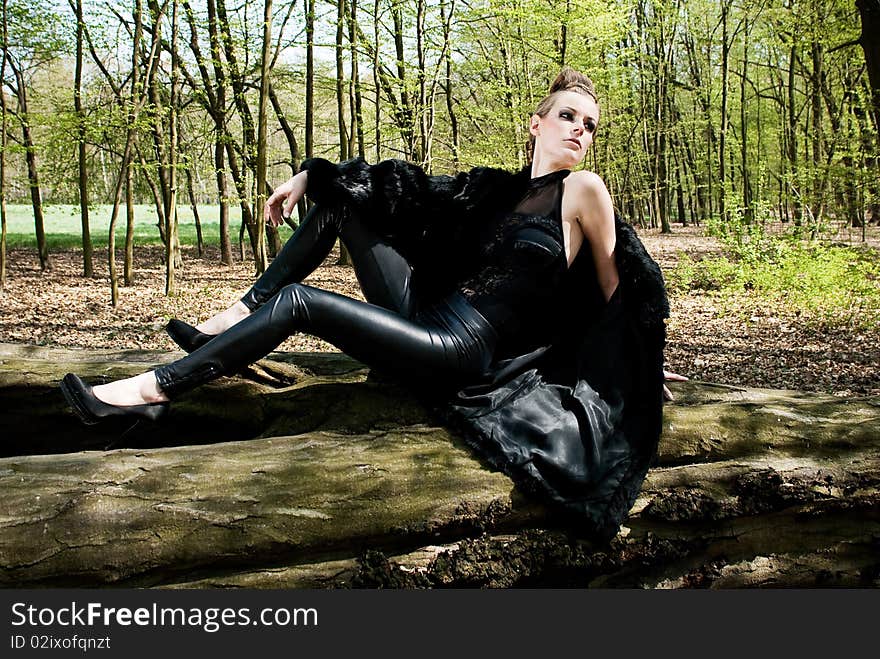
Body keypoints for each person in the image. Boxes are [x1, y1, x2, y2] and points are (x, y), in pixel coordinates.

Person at [61, 68, 673, 538]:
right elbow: (409, 187)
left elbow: (620, 289)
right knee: (342, 197)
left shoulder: (583, 193)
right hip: (424, 312)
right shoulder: (495, 190)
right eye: (568, 116)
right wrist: (314, 177)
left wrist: (639, 368)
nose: (579, 131)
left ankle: (154, 393)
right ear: (536, 124)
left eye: (589, 125)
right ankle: (242, 313)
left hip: (462, 348)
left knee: (303, 302)